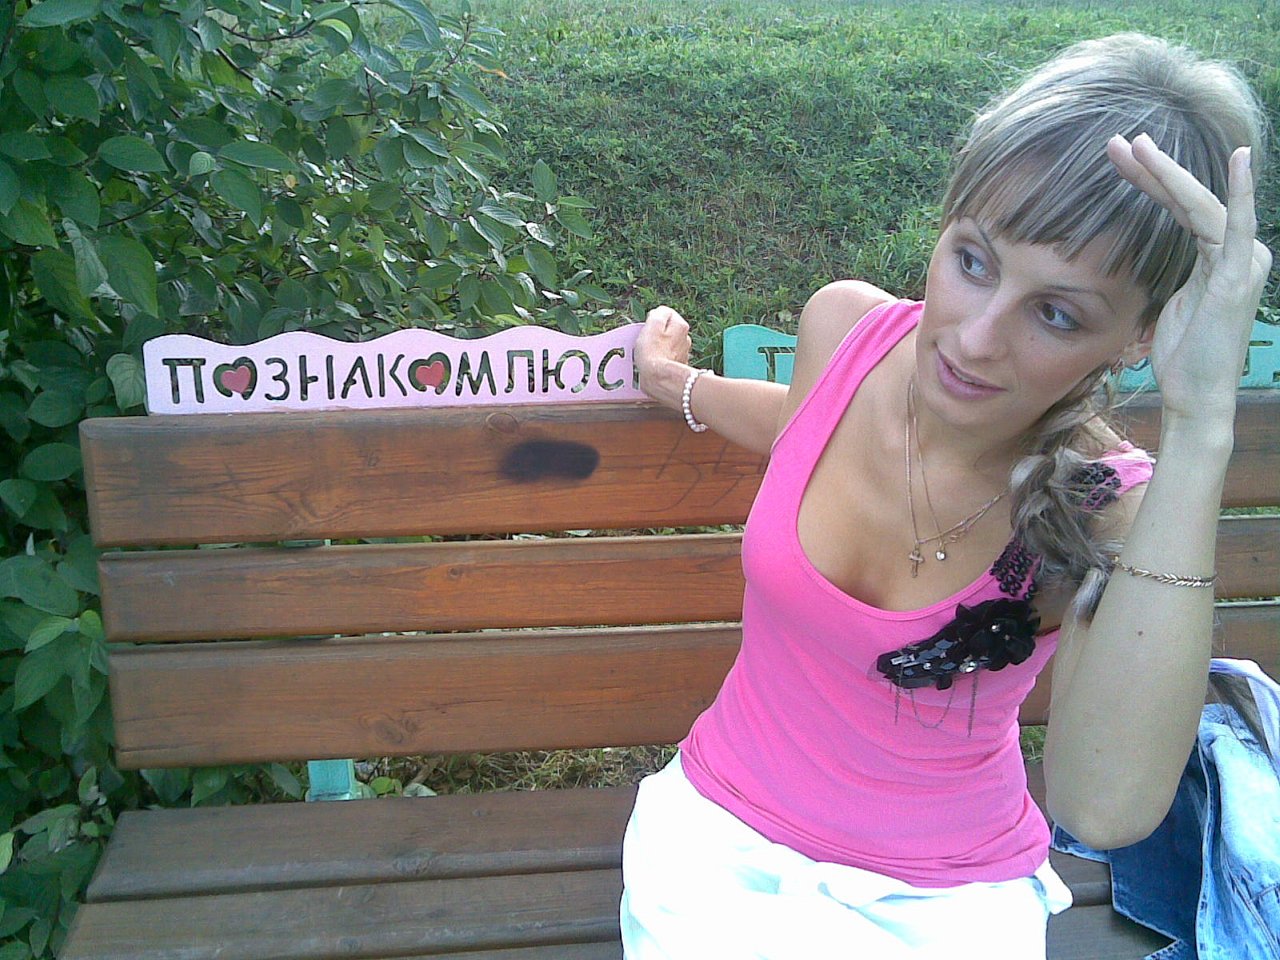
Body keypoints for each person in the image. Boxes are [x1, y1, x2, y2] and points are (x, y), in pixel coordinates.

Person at [621, 32, 1271, 960]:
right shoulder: (844, 332)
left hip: (944, 900)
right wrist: (673, 383)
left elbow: (1103, 808)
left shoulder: (1107, 507)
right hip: (710, 850)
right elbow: (802, 424)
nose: (972, 339)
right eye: (973, 260)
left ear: (1140, 334)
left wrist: (1202, 420)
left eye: (1057, 313)